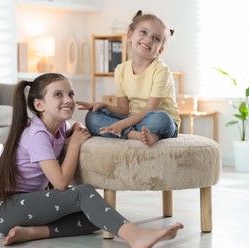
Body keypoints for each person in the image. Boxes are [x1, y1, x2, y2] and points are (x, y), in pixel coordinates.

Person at [0, 73, 183, 248]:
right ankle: (135, 236)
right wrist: (75, 144)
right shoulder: (36, 135)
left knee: (96, 217)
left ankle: (33, 232)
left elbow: (77, 126)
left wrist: (76, 132)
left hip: (26, 205)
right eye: (58, 95)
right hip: (7, 209)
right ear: (39, 105)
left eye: (70, 94)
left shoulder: (59, 126)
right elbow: (61, 183)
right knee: (83, 192)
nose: (68, 100)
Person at [77, 10, 180, 146]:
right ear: (130, 36)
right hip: (133, 119)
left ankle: (139, 132)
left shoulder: (161, 71)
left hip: (156, 120)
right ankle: (134, 134)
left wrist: (121, 124)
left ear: (160, 50)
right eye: (144, 32)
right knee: (92, 117)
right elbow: (123, 110)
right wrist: (104, 105)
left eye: (156, 38)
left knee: (161, 119)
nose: (149, 39)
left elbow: (151, 110)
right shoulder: (120, 70)